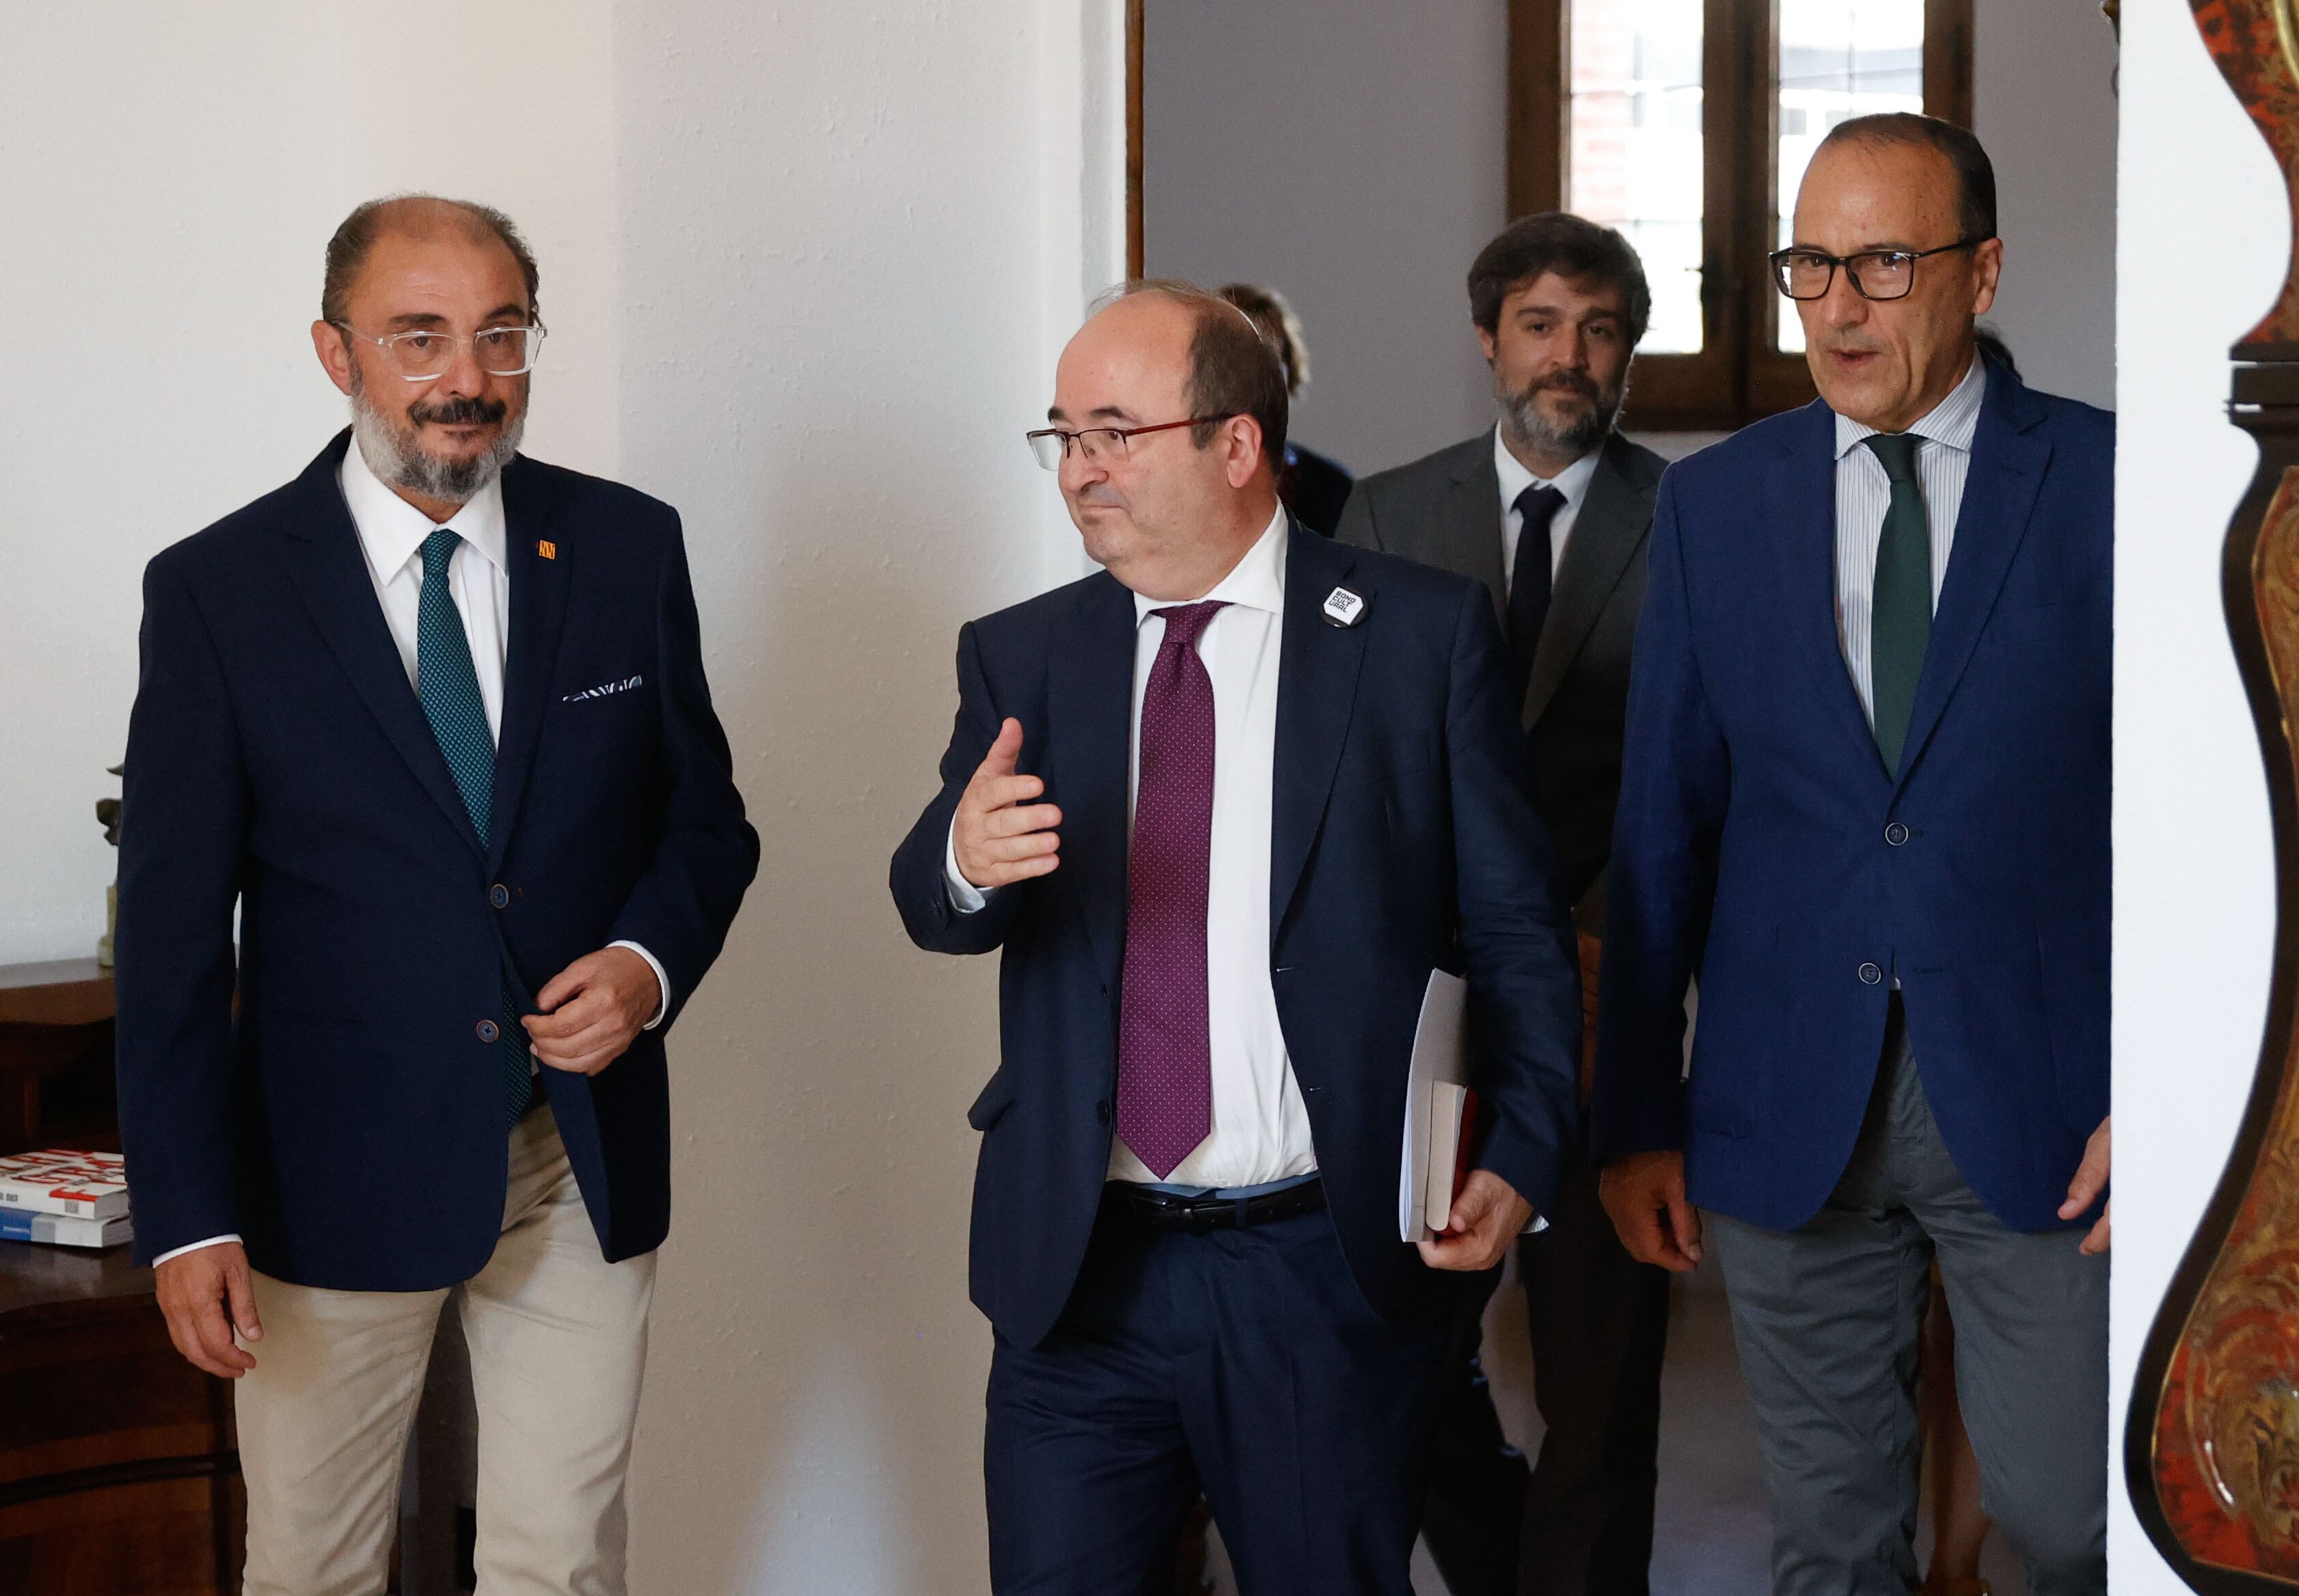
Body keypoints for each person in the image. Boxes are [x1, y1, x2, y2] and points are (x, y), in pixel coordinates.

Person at [888, 280, 1581, 1595]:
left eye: (1111, 434)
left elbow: (1515, 930)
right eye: (1061, 439)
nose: (1078, 472)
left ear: (1235, 444)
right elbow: (934, 898)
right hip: (1080, 1272)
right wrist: (963, 862)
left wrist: (1528, 1148)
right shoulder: (1022, 654)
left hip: (1318, 1272)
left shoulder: (1415, 638)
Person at [115, 195, 759, 1595]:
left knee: (561, 1563)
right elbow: (169, 937)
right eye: (420, 336)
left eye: (500, 333)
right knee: (314, 1569)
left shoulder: (627, 547)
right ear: (336, 354)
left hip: (569, 1151)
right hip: (321, 1171)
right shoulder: (220, 594)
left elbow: (704, 822)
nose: (467, 377)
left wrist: (646, 963)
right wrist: (187, 1213)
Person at [1593, 112, 2112, 1595]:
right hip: (1782, 1092)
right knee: (1830, 1540)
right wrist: (1636, 1106)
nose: (1836, 306)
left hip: (2047, 1101)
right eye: (1809, 264)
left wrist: (2168, 1092)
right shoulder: (1715, 503)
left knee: (2071, 1517)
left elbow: (2183, 821)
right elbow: (1661, 823)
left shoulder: (2108, 484)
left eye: (1883, 260)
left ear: (1984, 271)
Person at [1338, 212, 1672, 1596]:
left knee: (1602, 1383)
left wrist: (1600, 941)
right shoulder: (1385, 513)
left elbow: (1696, 769)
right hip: (1430, 1001)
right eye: (1542, 324)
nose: (1570, 357)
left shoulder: (1691, 519)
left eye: (1601, 331)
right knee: (1402, 1352)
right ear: (1488, 340)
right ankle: (1505, 1566)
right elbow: (1350, 760)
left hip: (1613, 990)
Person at [1217, 283, 1354, 536]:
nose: (1255, 383)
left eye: (1271, 364)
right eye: (1237, 365)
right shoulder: (1183, 478)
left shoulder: (1333, 486)